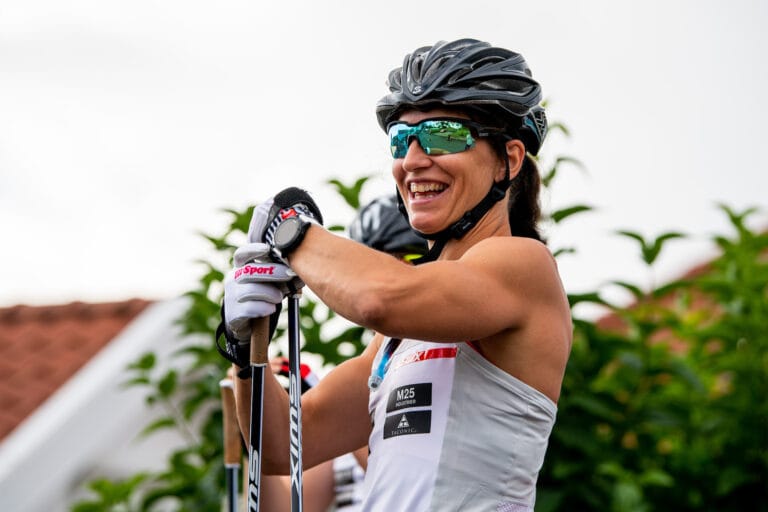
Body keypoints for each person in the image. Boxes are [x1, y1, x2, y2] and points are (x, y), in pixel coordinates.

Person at [220, 38, 572, 511]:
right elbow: (282, 446)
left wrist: (290, 229)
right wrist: (245, 352)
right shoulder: (393, 345)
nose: (412, 160)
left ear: (508, 160)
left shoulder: (522, 263)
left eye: (444, 135)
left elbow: (379, 299)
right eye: (401, 139)